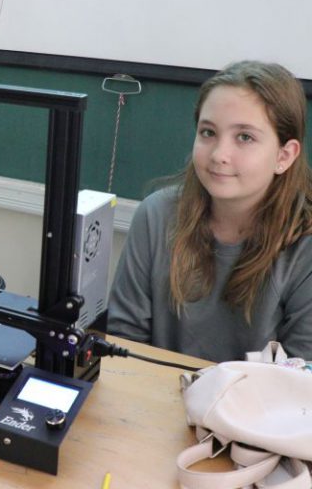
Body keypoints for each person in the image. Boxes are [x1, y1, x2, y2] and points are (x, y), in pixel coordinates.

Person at [108, 60, 312, 362]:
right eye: (208, 132)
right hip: (154, 389)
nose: (219, 155)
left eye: (245, 137)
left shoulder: (305, 247)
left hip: (259, 395)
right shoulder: (156, 215)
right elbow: (124, 341)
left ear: (284, 155)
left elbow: (300, 373)